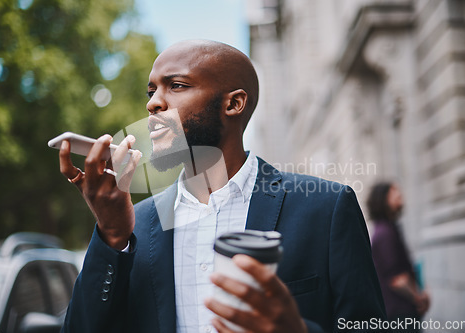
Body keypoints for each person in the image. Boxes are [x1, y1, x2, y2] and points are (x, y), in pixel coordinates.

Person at [59, 40, 387, 333]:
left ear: (233, 104)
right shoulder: (134, 227)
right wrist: (112, 235)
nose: (153, 104)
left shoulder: (326, 209)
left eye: (176, 86)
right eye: (151, 91)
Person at [368, 182, 430, 332]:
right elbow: (397, 279)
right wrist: (419, 298)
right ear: (382, 199)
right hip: (399, 312)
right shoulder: (385, 233)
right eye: (395, 194)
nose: (400, 198)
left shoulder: (385, 229)